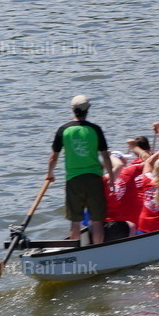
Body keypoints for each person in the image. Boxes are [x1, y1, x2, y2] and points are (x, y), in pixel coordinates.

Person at [46, 95, 114, 245]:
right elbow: (106, 157)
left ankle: (75, 253)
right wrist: (112, 180)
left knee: (75, 221)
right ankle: (98, 250)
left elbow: (53, 158)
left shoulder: (63, 130)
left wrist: (49, 174)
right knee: (97, 221)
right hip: (94, 179)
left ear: (72, 110)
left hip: (73, 180)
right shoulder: (96, 130)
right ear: (87, 110)